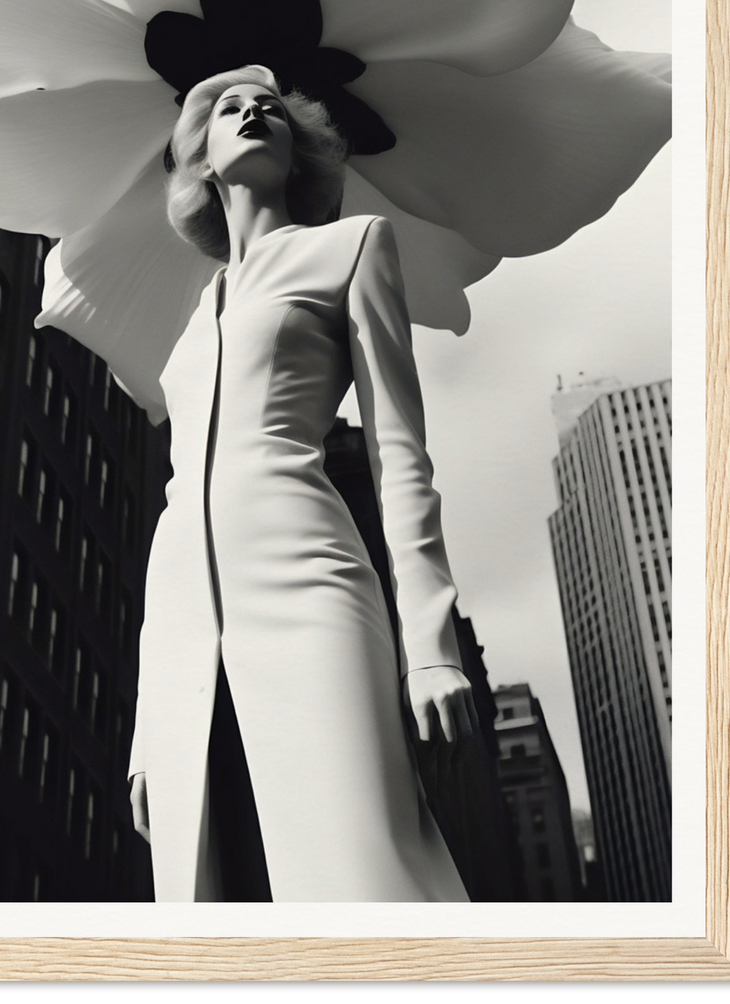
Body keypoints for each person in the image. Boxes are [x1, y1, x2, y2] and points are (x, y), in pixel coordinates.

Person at [125, 63, 478, 903]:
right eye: (229, 109)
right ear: (201, 160)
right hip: (183, 624)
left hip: (310, 583)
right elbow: (179, 503)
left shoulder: (351, 246)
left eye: (271, 111)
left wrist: (429, 644)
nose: (251, 112)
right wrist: (148, 719)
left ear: (297, 154)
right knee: (215, 892)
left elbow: (400, 450)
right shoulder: (191, 319)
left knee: (361, 865)